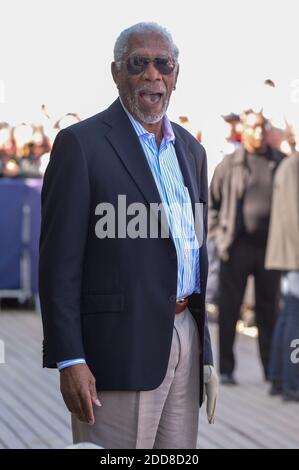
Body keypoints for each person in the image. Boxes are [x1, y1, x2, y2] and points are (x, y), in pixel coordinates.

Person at [39, 22, 218, 449]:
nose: (152, 74)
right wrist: (70, 358)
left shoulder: (192, 151)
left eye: (164, 64)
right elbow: (58, 264)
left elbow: (191, 257)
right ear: (117, 71)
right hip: (115, 353)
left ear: (176, 75)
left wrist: (204, 353)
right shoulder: (80, 145)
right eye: (139, 63)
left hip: (183, 341)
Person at [209, 111, 284, 385]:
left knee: (268, 312)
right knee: (229, 309)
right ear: (245, 130)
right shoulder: (230, 165)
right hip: (236, 247)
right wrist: (219, 236)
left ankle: (270, 370)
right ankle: (227, 369)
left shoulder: (279, 162)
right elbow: (212, 205)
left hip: (269, 250)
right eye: (253, 128)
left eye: (263, 127)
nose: (259, 133)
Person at [266, 151, 299, 402]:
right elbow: (292, 217)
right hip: (293, 257)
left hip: (291, 256)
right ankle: (291, 381)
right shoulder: (292, 167)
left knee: (288, 315)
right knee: (293, 318)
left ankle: (279, 377)